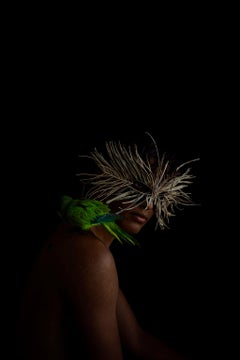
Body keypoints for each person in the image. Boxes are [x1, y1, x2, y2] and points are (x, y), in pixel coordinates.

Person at [16, 132, 199, 359]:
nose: (149, 204)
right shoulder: (88, 254)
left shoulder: (82, 244)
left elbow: (136, 340)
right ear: (106, 176)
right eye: (139, 188)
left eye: (158, 196)